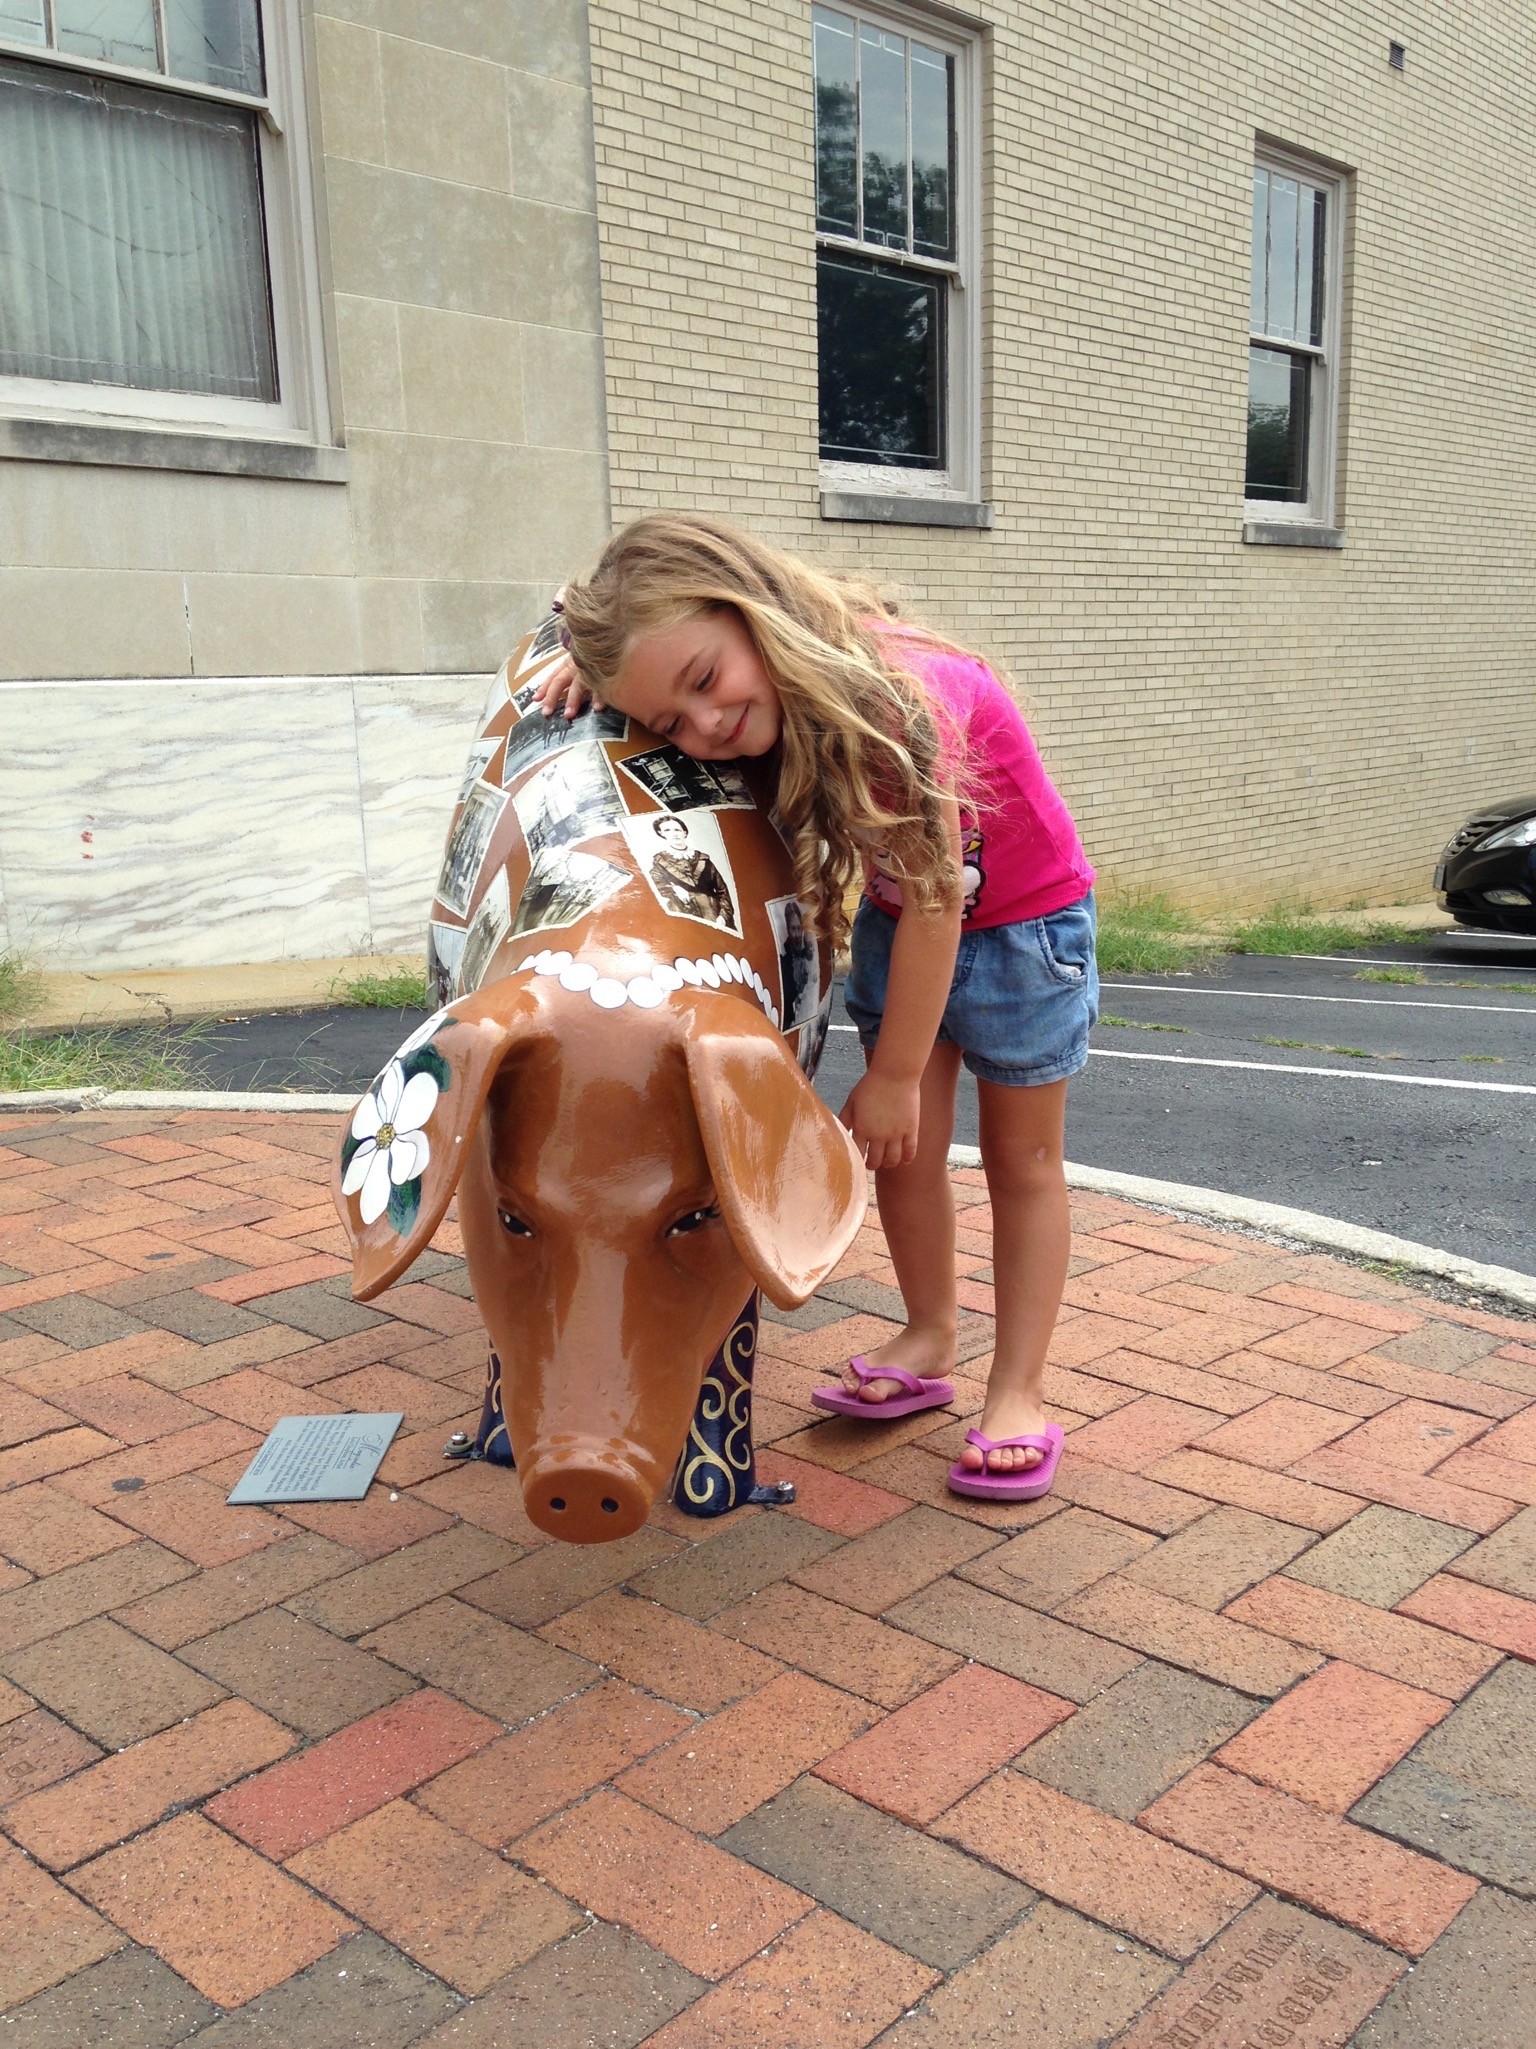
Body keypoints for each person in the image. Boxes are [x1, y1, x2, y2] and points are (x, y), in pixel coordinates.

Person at [536, 515, 1097, 1500]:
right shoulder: (724, 668)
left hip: (1021, 933)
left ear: (756, 611)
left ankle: (1020, 1390)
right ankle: (929, 1335)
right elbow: (598, 613)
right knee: (905, 1153)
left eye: (705, 682)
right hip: (907, 919)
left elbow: (938, 899)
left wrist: (889, 1077)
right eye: (669, 720)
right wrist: (585, 657)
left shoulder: (898, 706)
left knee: (1022, 1162)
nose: (702, 726)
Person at [647, 814, 737, 929]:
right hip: (684, 914)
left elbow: (722, 890)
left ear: (684, 832)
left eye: (677, 829)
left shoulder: (703, 859)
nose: (674, 833)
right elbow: (656, 886)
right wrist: (675, 888)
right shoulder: (660, 861)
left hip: (712, 913)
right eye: (667, 830)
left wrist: (723, 916)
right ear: (661, 833)